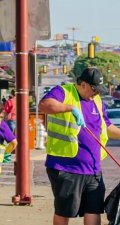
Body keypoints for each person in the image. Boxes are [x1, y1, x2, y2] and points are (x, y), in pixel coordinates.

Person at [39, 67, 120, 225]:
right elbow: (45, 105)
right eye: (94, 90)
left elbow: (107, 127)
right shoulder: (63, 92)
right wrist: (71, 108)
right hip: (67, 168)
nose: (96, 94)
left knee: (94, 210)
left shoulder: (97, 101)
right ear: (83, 84)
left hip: (93, 170)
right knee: (64, 212)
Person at [3, 89, 16, 162]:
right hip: (19, 120)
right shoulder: (21, 100)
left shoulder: (10, 101)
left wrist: (4, 121)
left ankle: (7, 155)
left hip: (11, 120)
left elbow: (6, 112)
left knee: (9, 139)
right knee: (16, 138)